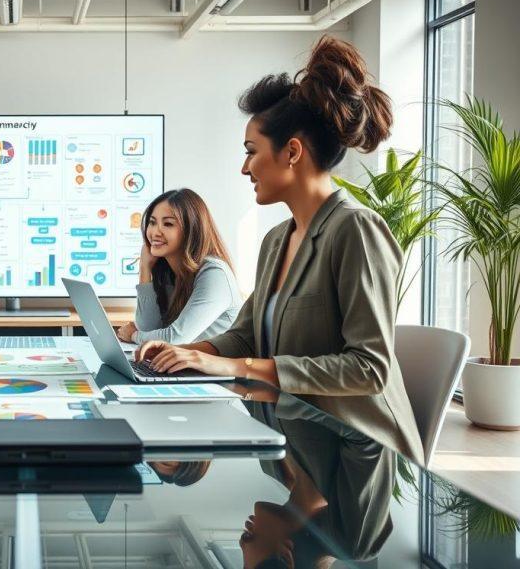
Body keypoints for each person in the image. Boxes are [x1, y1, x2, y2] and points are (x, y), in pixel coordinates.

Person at [135, 36, 424, 462]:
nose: (244, 166)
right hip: (299, 442)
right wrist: (186, 354)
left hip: (360, 456)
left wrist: (238, 368)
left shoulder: (356, 230)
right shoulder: (277, 240)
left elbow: (369, 368)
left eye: (251, 152)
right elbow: (246, 334)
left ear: (292, 152)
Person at [116, 189, 241, 345]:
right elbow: (148, 329)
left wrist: (134, 335)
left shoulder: (215, 273)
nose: (155, 231)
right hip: (183, 366)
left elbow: (175, 338)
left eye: (168, 224)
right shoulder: (168, 271)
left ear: (191, 230)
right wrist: (145, 268)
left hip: (215, 367)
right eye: (152, 222)